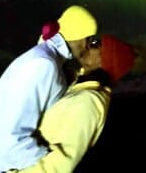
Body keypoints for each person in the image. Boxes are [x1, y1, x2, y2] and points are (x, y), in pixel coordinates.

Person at [0, 5, 99, 173]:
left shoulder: (47, 61)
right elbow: (13, 142)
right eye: (90, 38)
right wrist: (52, 160)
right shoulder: (43, 65)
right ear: (79, 35)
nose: (90, 45)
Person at [18, 33, 137, 173]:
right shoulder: (76, 83)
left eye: (94, 44)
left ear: (104, 60)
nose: (86, 44)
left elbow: (62, 161)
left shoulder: (90, 101)